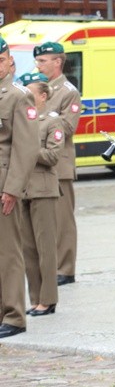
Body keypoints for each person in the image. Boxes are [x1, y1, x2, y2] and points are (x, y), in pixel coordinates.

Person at [0, 38, 39, 338]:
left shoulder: (17, 97)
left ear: (6, 61)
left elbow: (25, 149)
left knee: (8, 254)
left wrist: (13, 189)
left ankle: (14, 315)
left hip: (3, 186)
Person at [33, 42, 81, 287]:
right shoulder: (33, 89)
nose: (38, 65)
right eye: (37, 61)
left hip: (58, 163)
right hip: (37, 164)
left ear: (57, 62)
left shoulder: (68, 91)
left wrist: (40, 124)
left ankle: (66, 268)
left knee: (62, 220)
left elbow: (68, 127)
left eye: (43, 61)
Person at [18, 72, 64, 317]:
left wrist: (29, 147)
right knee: (28, 248)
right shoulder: (23, 119)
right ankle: (35, 298)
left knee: (45, 248)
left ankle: (48, 299)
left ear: (43, 96)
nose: (25, 96)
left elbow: (53, 156)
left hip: (44, 189)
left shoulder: (52, 122)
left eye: (30, 92)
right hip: (23, 189)